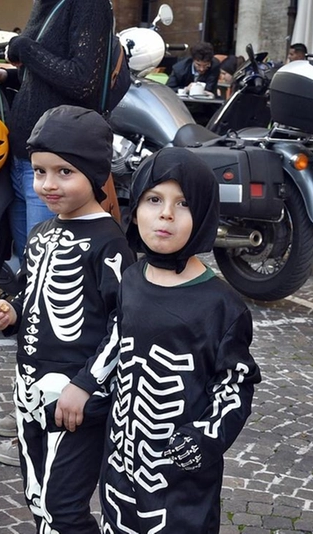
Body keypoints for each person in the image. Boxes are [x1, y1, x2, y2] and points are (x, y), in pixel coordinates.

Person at [0, 0, 115, 464]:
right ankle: (32, 413)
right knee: (26, 284)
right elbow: (47, 78)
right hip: (23, 162)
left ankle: (46, 422)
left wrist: (21, 47)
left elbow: (82, 80)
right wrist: (10, 72)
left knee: (47, 294)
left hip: (56, 166)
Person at [0, 105, 135, 533]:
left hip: (76, 397)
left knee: (63, 506)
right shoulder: (40, 233)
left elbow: (127, 323)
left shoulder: (109, 243)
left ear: (96, 174)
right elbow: (31, 293)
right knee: (38, 499)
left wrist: (86, 384)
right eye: (39, 171)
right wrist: (11, 310)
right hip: (28, 389)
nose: (48, 185)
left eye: (65, 172)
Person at [96, 148, 260, 533]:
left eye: (183, 203)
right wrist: (87, 387)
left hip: (183, 482)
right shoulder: (132, 280)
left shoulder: (223, 306)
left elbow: (237, 386)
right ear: (135, 207)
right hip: (120, 465)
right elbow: (117, 342)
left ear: (203, 215)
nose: (165, 213)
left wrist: (206, 437)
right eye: (154, 199)